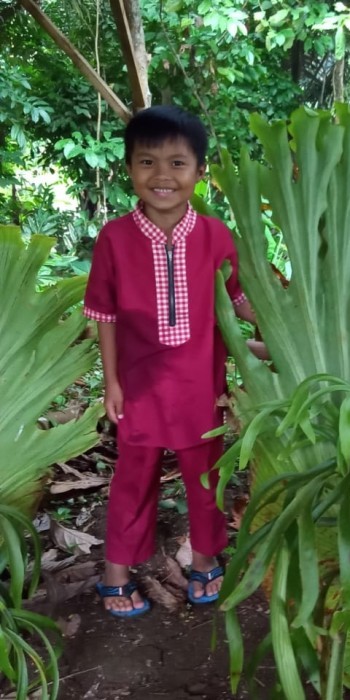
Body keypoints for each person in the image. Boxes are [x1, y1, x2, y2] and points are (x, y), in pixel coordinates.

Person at [84, 105, 257, 617]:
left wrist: (276, 331)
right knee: (132, 481)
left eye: (178, 163)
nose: (162, 175)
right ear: (129, 169)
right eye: (147, 162)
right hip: (138, 388)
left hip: (202, 387)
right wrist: (111, 383)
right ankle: (116, 572)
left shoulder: (215, 236)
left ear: (200, 172)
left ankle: (205, 557)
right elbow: (106, 317)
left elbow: (240, 301)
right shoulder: (114, 238)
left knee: (204, 480)